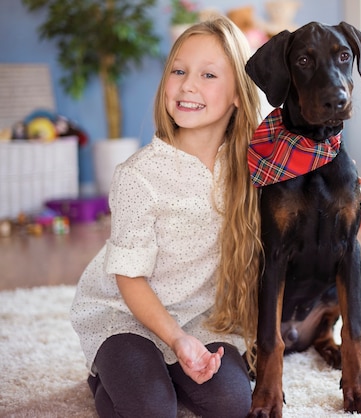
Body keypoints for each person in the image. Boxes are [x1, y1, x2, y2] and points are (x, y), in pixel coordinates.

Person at [70, 16, 262, 418]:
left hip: (201, 319)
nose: (188, 84)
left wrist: (347, 184)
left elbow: (308, 174)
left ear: (239, 96)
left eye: (208, 74)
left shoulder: (249, 166)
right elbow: (129, 277)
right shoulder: (137, 175)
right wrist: (175, 340)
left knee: (232, 403)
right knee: (152, 410)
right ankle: (109, 376)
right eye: (179, 70)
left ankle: (155, 375)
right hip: (126, 316)